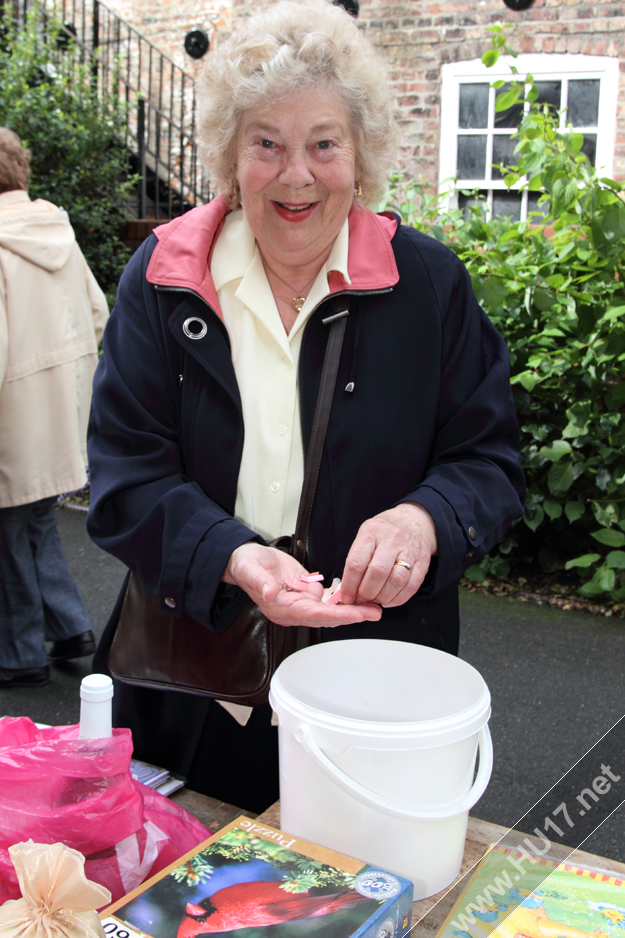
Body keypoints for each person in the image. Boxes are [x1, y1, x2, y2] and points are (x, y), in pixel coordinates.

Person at [88, 0, 525, 812]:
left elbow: (488, 461)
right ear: (230, 154)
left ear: (359, 156)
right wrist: (237, 559)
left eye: (323, 143)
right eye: (267, 144)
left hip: (377, 679)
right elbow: (124, 478)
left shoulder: (428, 286)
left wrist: (423, 520)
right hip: (194, 674)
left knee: (366, 885)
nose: (296, 174)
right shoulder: (160, 278)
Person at [0, 128, 108, 688]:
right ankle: (69, 629)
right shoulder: (55, 230)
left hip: (13, 415)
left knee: (8, 531)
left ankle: (18, 655)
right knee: (35, 519)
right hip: (60, 408)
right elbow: (97, 313)